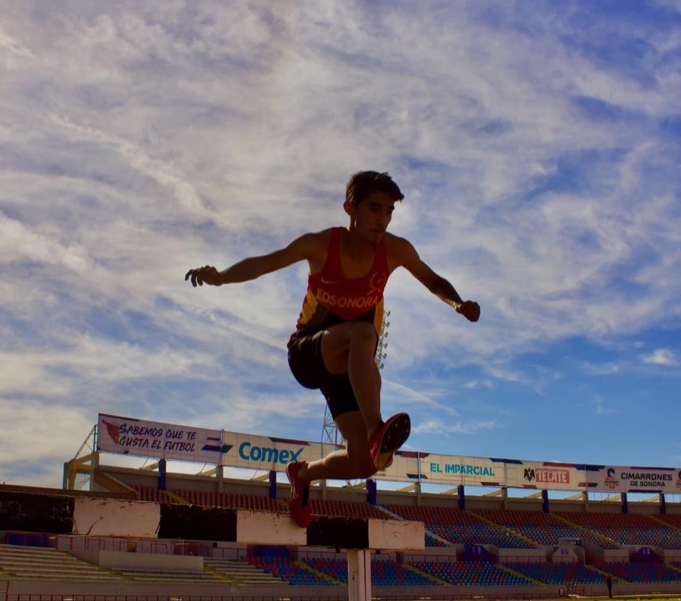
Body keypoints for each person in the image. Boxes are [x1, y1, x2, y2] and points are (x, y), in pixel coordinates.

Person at [185, 171, 480, 527]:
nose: (382, 220)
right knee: (362, 333)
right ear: (349, 209)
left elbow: (433, 280)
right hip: (309, 352)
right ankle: (376, 432)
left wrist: (458, 304)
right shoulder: (322, 245)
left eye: (388, 212)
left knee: (364, 465)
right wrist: (220, 276)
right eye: (374, 209)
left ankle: (304, 475)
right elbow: (266, 263)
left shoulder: (396, 250)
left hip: (349, 368)